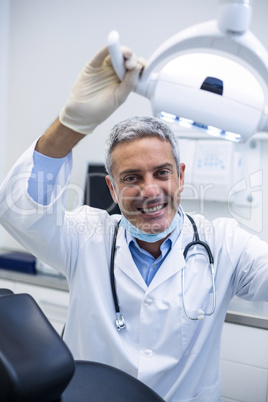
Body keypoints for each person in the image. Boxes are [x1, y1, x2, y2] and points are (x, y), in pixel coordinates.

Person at [0, 43, 268, 402]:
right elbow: (21, 208)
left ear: (181, 176)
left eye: (161, 173)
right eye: (131, 178)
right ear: (111, 186)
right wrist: (72, 123)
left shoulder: (224, 243)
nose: (150, 190)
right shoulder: (86, 236)